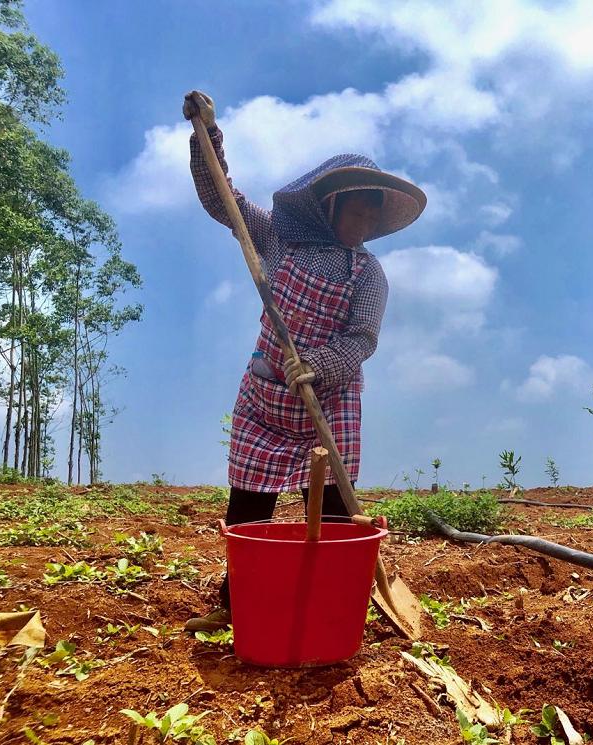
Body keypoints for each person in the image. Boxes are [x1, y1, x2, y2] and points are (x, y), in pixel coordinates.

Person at [181, 91, 426, 631]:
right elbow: (225, 202)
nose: (364, 220)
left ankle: (339, 600)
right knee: (248, 506)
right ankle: (235, 603)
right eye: (357, 208)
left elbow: (362, 340)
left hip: (329, 400)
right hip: (264, 396)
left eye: (372, 213)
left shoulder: (368, 275)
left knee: (338, 509)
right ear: (330, 205)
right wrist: (207, 140)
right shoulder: (279, 239)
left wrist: (319, 364)